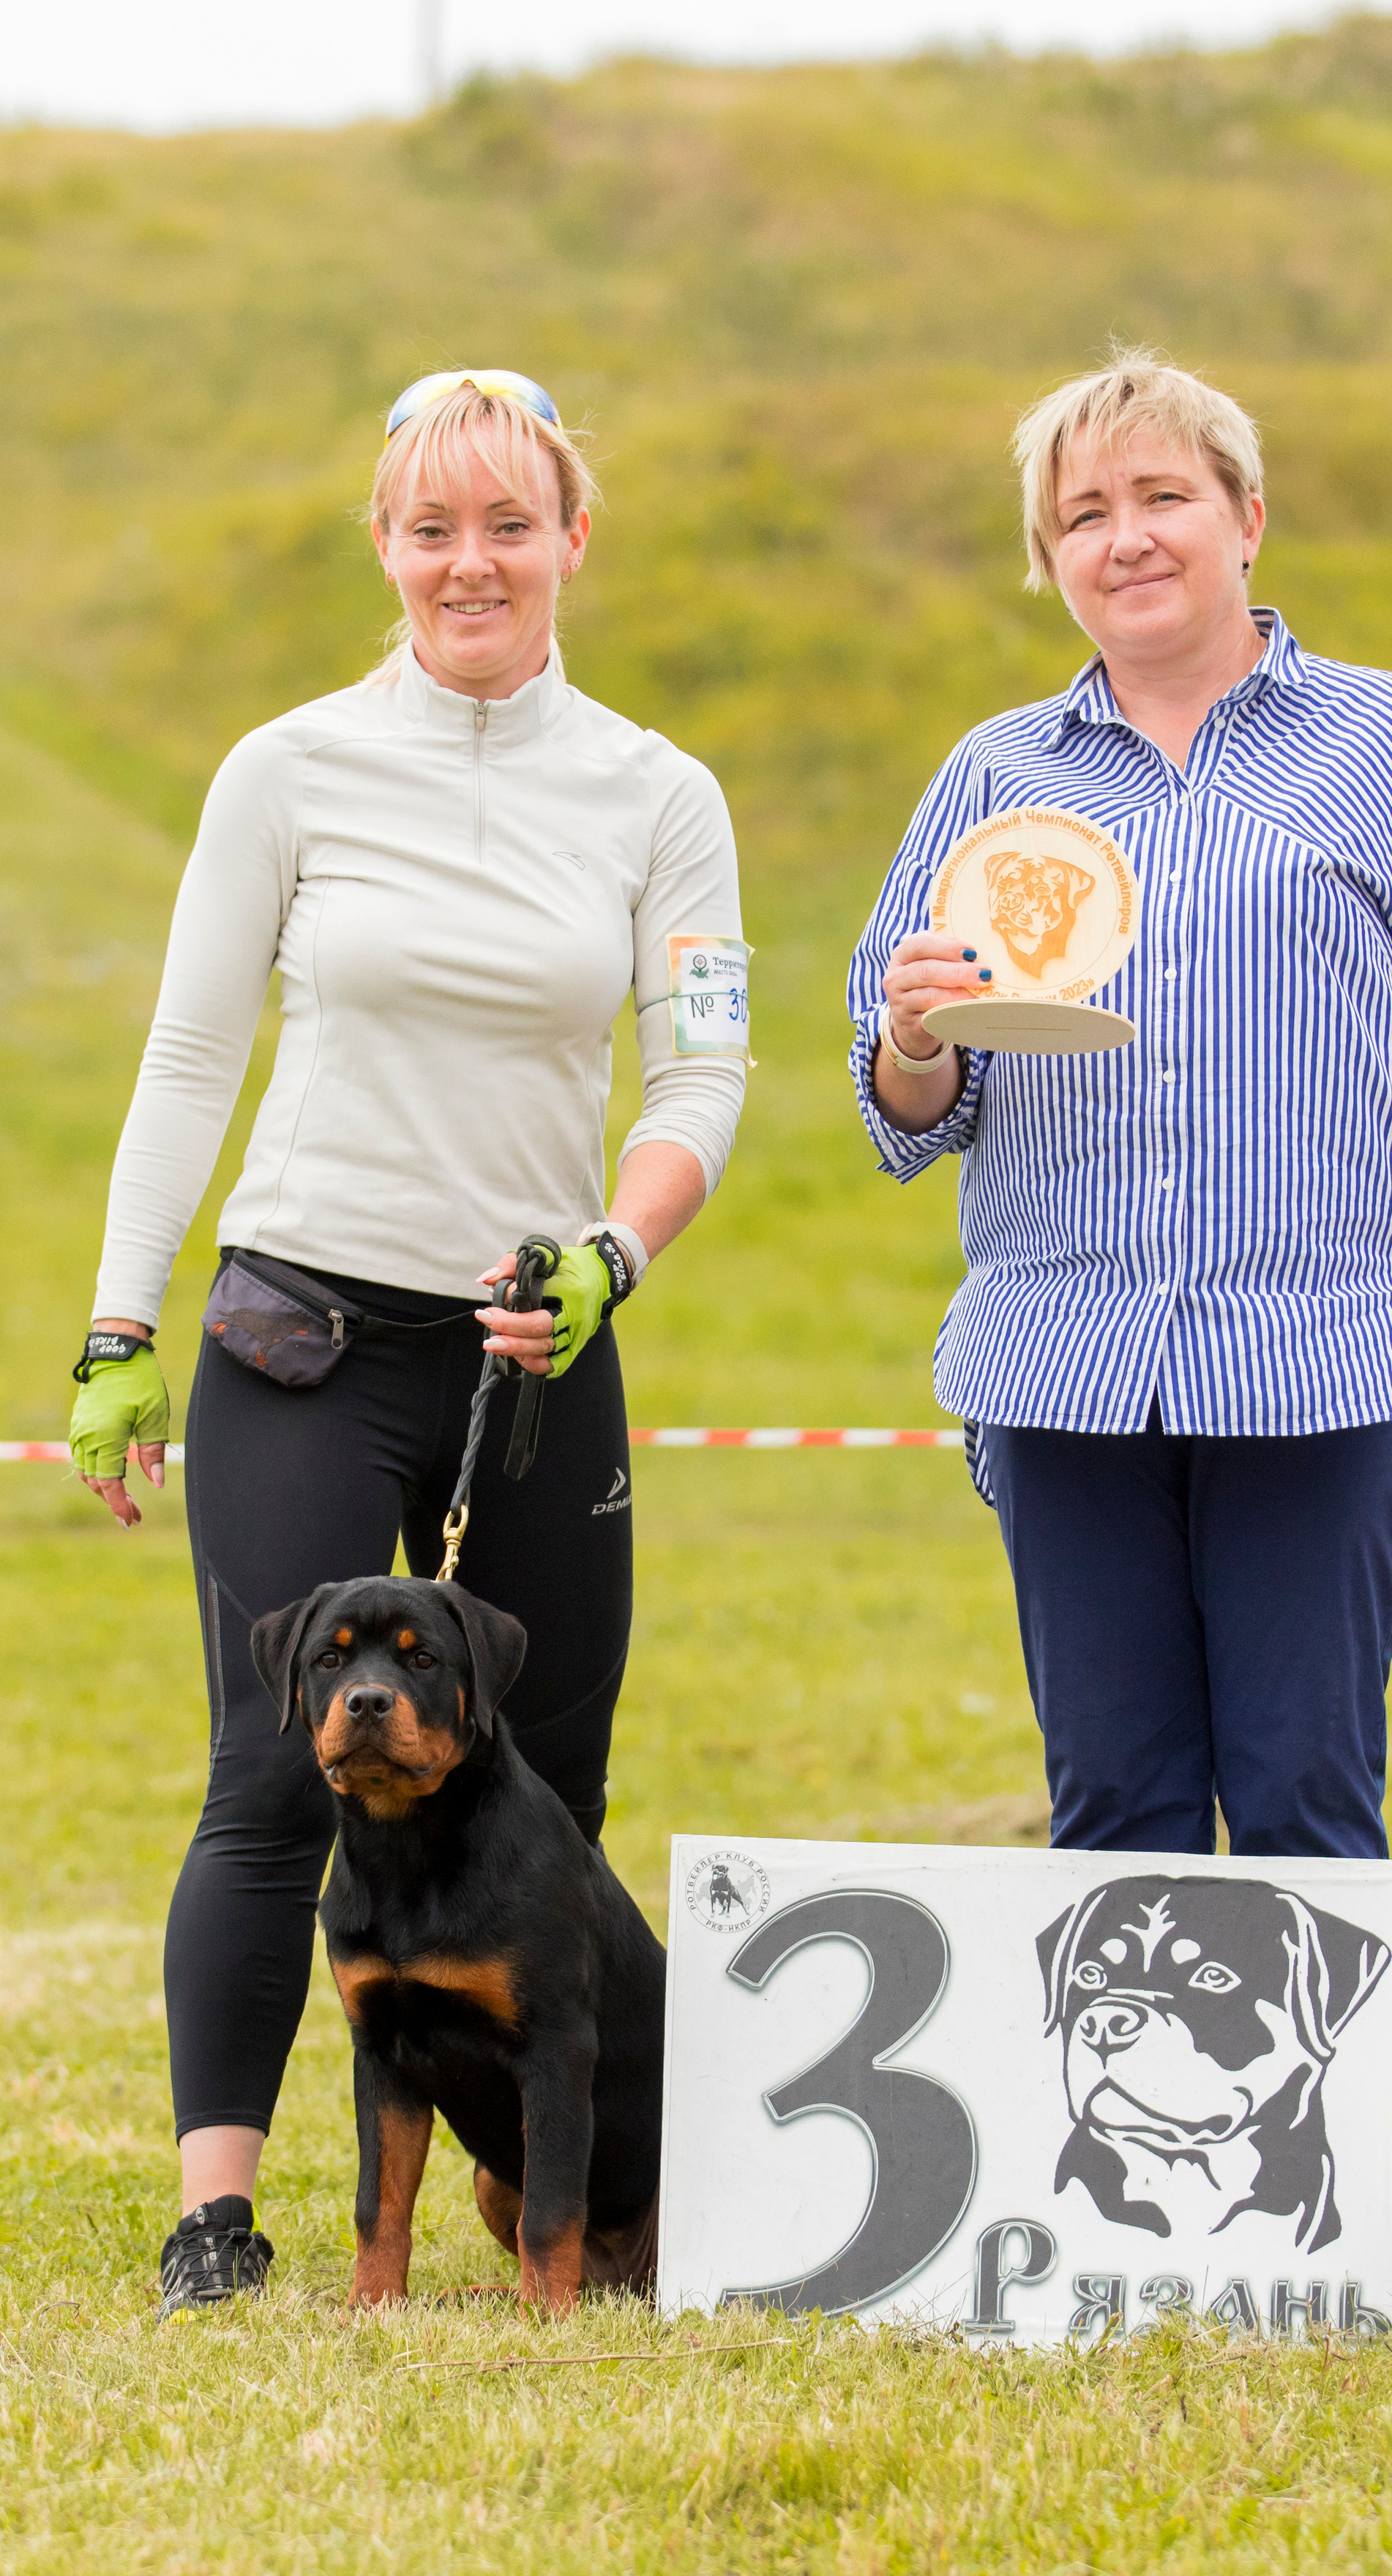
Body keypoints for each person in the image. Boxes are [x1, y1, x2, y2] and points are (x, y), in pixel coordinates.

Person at [67, 371, 748, 2313]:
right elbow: (192, 1054)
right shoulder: (284, 769)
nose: (471, 563)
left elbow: (703, 1074)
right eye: (431, 527)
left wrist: (616, 1248)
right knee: (274, 1773)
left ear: (571, 540)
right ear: (383, 543)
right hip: (303, 1326)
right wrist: (121, 1316)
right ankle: (216, 2217)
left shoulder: (661, 792)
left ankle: (550, 2207)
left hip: (538, 1344)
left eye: (508, 524)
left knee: (549, 1783)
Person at [848, 348, 1392, 1867]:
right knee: (1113, 1812)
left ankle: (1315, 2048)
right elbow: (908, 1107)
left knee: (1306, 1805)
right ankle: (1120, 2044)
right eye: (1083, 515)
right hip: (1064, 1365)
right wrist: (913, 1031)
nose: (1127, 538)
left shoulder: (1391, 744)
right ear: (1051, 560)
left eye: (1162, 496)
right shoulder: (993, 775)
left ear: (1247, 517)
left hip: (1321, 1363)